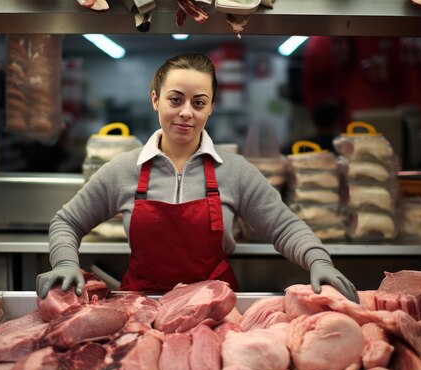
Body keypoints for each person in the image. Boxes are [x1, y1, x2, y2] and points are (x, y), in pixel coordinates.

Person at [36, 53, 358, 303]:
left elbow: (284, 226)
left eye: (198, 102)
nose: (186, 112)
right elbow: (67, 222)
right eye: (175, 99)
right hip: (142, 305)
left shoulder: (235, 171)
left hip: (213, 306)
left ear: (211, 107)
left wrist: (319, 262)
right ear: (155, 100)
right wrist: (65, 262)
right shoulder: (123, 169)